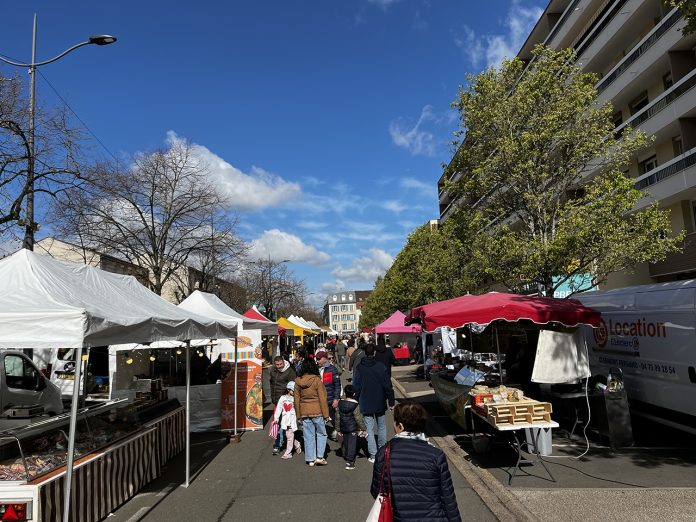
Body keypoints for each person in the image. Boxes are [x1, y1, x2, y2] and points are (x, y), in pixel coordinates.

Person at [371, 402, 461, 521]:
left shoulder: (384, 453)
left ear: (400, 426)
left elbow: (377, 491)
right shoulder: (436, 455)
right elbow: (448, 498)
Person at [352, 344, 394, 462]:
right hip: (380, 400)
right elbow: (388, 386)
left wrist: (355, 400)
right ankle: (382, 450)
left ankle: (373, 454)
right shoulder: (381, 366)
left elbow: (356, 386)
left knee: (369, 428)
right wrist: (391, 401)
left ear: (365, 353)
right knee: (382, 426)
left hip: (365, 401)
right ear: (374, 352)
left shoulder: (360, 368)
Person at [294, 358, 330, 466]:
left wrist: (298, 415)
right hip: (317, 410)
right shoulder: (316, 380)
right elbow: (323, 398)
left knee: (308, 435)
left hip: (304, 411)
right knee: (321, 434)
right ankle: (319, 457)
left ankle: (310, 459)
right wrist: (326, 415)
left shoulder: (297, 382)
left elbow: (296, 400)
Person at [270, 355, 297, 455]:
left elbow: (293, 386)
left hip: (286, 401)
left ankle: (279, 444)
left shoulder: (290, 371)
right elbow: (272, 383)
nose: (279, 366)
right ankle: (281, 443)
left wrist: (290, 398)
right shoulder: (273, 370)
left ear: (283, 362)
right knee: (277, 422)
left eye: (280, 364)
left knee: (285, 424)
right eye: (277, 365)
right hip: (276, 400)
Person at [335, 384, 367, 470]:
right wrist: (363, 428)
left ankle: (346, 455)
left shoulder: (340, 403)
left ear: (345, 393)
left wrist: (338, 429)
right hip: (352, 427)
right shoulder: (355, 405)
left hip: (343, 427)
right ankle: (350, 462)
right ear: (354, 394)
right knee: (352, 444)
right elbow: (358, 418)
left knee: (346, 442)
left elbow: (337, 416)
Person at [316, 350, 342, 442]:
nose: (317, 361)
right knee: (319, 420)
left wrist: (336, 399)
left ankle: (340, 436)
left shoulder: (332, 369)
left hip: (330, 399)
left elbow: (337, 385)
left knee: (334, 419)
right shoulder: (316, 369)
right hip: (319, 400)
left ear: (324, 359)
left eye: (319, 359)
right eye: (316, 359)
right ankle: (321, 438)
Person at [273, 381, 302, 459]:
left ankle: (288, 453)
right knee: (289, 435)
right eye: (293, 390)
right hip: (285, 419)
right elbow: (278, 408)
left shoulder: (296, 398)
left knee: (289, 436)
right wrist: (276, 418)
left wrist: (299, 418)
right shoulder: (282, 398)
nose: (294, 392)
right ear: (288, 389)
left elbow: (299, 409)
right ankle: (297, 444)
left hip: (293, 419)